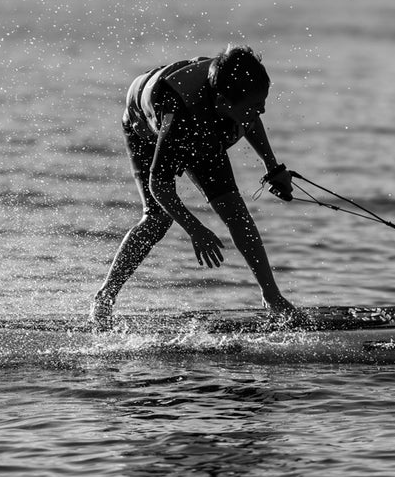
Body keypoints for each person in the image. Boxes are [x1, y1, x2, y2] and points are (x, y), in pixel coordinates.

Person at [91, 45, 302, 328]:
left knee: (236, 212)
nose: (262, 109)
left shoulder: (235, 91)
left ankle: (272, 296)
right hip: (145, 124)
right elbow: (159, 185)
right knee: (158, 218)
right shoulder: (180, 115)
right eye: (255, 105)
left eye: (262, 101)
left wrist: (272, 167)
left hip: (204, 121)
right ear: (226, 102)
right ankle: (104, 298)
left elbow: (250, 118)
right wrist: (196, 230)